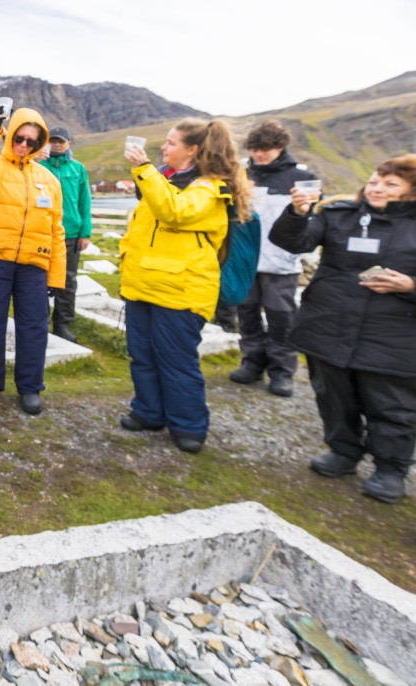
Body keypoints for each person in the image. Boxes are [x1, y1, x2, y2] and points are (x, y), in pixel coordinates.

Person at [270, 155, 416, 503]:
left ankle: (390, 470)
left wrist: (411, 286)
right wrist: (298, 214)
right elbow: (293, 242)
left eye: (391, 184)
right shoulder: (339, 215)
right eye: (375, 181)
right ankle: (344, 452)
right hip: (328, 325)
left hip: (393, 337)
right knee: (333, 396)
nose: (378, 188)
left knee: (391, 405)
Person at [119, 118, 253, 453]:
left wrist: (143, 168)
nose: (164, 148)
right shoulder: (166, 180)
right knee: (142, 355)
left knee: (176, 361)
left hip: (181, 290)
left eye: (171, 143)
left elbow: (174, 212)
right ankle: (149, 411)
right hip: (144, 284)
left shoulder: (209, 188)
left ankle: (189, 425)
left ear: (192, 150)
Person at [0, 102, 66, 415]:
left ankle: (30, 387)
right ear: (11, 139)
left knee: (34, 326)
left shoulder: (49, 180)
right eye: (19, 138)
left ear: (39, 144)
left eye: (31, 141)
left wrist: (56, 277)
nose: (24, 145)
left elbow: (56, 230)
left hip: (33, 263)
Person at [229, 120, 318, 397]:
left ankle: (282, 372)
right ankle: (252, 362)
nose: (259, 154)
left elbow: (311, 218)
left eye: (265, 149)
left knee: (281, 317)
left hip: (282, 262)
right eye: (255, 149)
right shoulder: (242, 175)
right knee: (247, 313)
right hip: (247, 259)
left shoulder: (301, 178)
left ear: (280, 146)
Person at [38, 127, 92, 343]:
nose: (57, 145)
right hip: (43, 232)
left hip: (70, 234)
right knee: (38, 279)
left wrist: (85, 232)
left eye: (61, 141)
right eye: (53, 141)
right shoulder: (38, 166)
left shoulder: (78, 169)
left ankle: (62, 324)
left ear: (69, 142)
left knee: (68, 281)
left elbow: (85, 201)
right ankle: (38, 322)